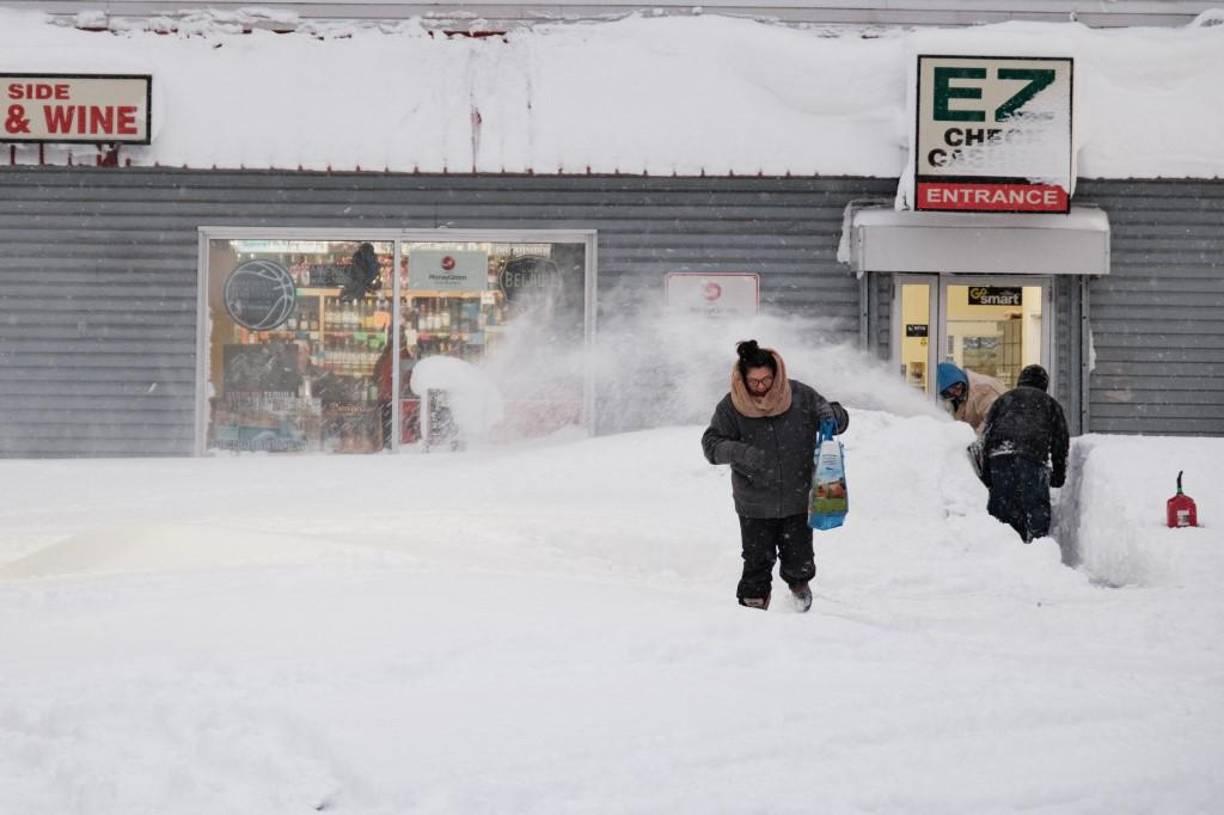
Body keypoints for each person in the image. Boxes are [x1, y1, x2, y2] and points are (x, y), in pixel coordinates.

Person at [701, 340, 849, 612]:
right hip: (754, 501)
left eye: (766, 379)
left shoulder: (800, 395)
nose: (761, 387)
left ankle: (799, 587)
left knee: (799, 557)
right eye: (754, 382)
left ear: (776, 374)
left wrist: (833, 414)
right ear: (742, 379)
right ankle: (753, 605)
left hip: (797, 496)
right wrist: (741, 453)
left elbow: (840, 421)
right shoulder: (731, 406)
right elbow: (711, 446)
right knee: (757, 559)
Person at [979, 364, 1070, 543]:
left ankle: (1003, 551)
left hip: (1000, 456)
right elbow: (1061, 443)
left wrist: (987, 474)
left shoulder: (1003, 400)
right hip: (1032, 457)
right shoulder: (1050, 403)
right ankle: (1036, 553)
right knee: (1036, 510)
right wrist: (1058, 476)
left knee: (1003, 510)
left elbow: (987, 435)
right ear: (1044, 384)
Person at [936, 361, 1006, 434]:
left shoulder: (984, 390)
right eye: (950, 394)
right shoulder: (960, 391)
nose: (957, 393)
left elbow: (991, 422)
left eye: (958, 387)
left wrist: (973, 442)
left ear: (961, 378)